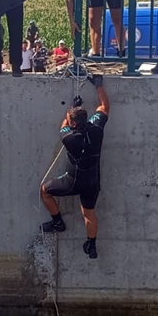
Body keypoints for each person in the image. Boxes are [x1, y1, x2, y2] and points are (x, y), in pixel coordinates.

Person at [40, 74, 110, 260]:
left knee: (44, 190)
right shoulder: (96, 128)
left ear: (74, 124)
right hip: (93, 182)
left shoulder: (69, 138)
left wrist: (70, 109)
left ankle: (57, 223)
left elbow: (63, 127)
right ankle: (92, 245)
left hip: (73, 181)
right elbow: (104, 107)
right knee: (88, 212)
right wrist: (98, 85)